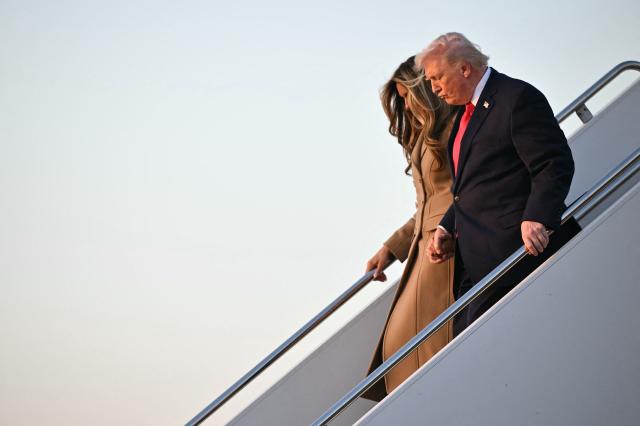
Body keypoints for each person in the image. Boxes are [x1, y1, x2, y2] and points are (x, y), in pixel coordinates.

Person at [416, 33, 576, 336]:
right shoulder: (463, 116)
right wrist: (446, 226)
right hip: (476, 266)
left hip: (517, 258)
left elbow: (554, 163)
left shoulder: (515, 98)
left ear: (464, 69)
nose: (434, 89)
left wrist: (538, 216)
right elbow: (472, 185)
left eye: (437, 78)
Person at [361, 57, 458, 402]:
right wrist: (392, 247)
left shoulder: (453, 128)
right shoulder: (424, 137)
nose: (403, 105)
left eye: (406, 96)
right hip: (423, 247)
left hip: (447, 244)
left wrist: (446, 229)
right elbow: (423, 208)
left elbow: (464, 191)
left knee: (420, 346)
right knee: (398, 345)